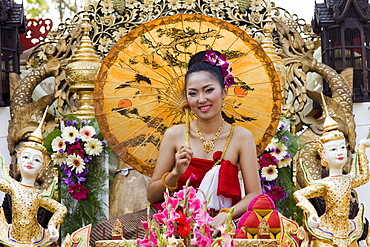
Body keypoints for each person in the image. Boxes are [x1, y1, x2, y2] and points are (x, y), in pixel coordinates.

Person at [90, 50, 261, 243]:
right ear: (186, 98)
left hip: (220, 220)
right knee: (100, 233)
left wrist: (225, 215)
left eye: (209, 90)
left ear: (224, 91)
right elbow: (152, 195)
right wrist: (175, 174)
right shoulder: (175, 135)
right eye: (193, 94)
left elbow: (255, 194)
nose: (201, 99)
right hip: (173, 218)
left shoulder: (241, 137)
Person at [293, 113, 370, 247]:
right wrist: (311, 213)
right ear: (323, 154)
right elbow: (299, 194)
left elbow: (364, 176)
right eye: (333, 149)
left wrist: (361, 148)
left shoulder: (349, 179)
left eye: (342, 147)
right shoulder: (325, 184)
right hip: (326, 231)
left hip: (349, 230)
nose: (340, 152)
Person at [0, 115, 67, 247]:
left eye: (36, 160)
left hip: (34, 240)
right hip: (11, 239)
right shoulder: (13, 187)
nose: (30, 161)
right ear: (18, 163)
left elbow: (61, 209)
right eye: (25, 157)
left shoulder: (40, 196)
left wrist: (52, 225)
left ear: (41, 169)